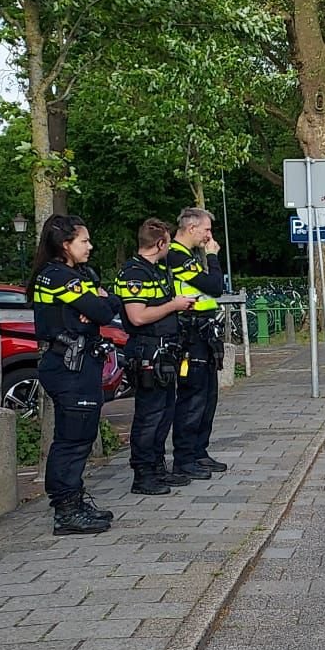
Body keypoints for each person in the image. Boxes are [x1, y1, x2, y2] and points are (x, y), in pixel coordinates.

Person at [28, 215, 121, 535]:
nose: (90, 246)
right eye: (84, 241)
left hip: (75, 363)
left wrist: (99, 301)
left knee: (78, 437)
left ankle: (74, 501)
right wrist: (99, 301)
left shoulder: (70, 274)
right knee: (72, 440)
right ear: (65, 244)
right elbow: (105, 311)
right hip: (70, 366)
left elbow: (102, 307)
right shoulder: (59, 277)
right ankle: (66, 511)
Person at [113, 219, 196, 495]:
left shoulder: (158, 270)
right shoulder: (134, 273)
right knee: (149, 414)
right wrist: (174, 305)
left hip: (166, 350)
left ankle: (158, 468)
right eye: (168, 241)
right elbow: (137, 316)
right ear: (160, 243)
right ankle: (143, 473)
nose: (170, 245)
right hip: (147, 350)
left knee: (165, 412)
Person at [168, 207, 228, 477]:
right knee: (192, 397)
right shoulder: (176, 256)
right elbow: (215, 285)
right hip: (189, 334)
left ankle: (199, 451)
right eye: (206, 230)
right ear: (191, 228)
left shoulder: (188, 255)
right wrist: (213, 256)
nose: (209, 235)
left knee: (208, 396)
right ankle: (184, 457)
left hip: (203, 333)